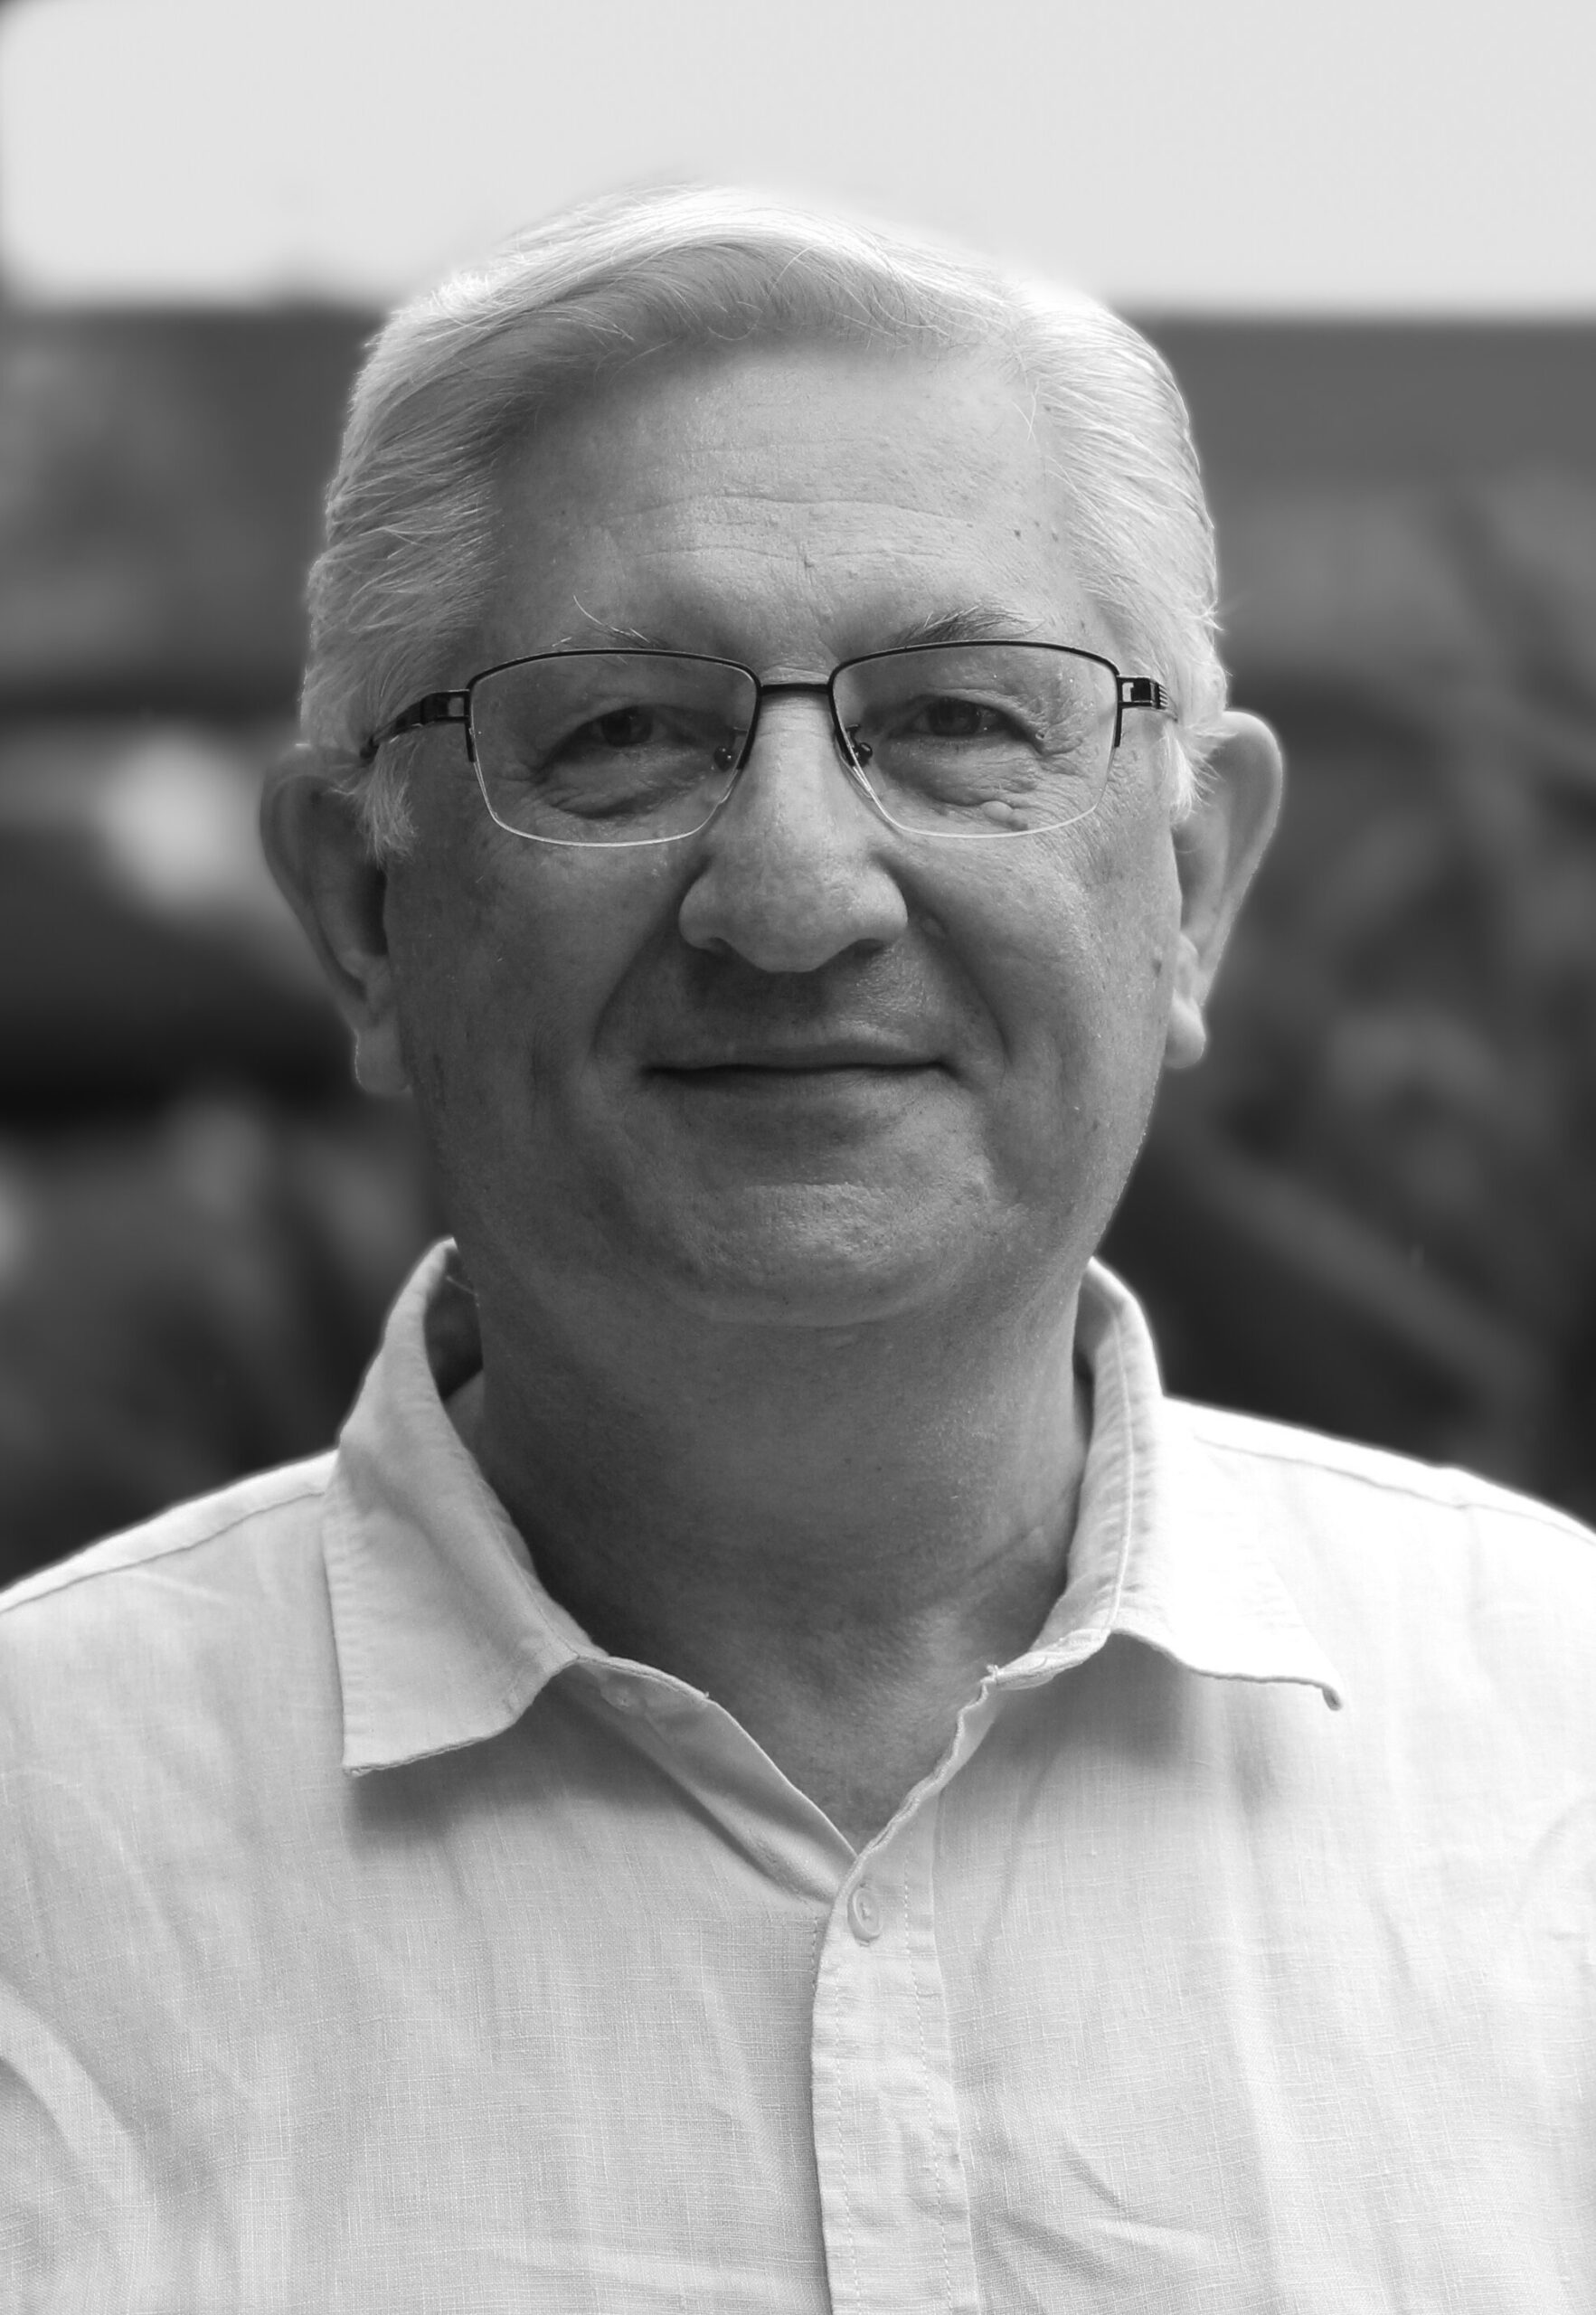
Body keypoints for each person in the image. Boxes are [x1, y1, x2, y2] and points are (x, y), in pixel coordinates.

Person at [3, 186, 1591, 2311]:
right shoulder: (41, 1851)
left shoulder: (1552, 1764)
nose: (793, 890)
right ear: (369, 916)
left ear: (1191, 884)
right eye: (622, 733)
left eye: (957, 721)